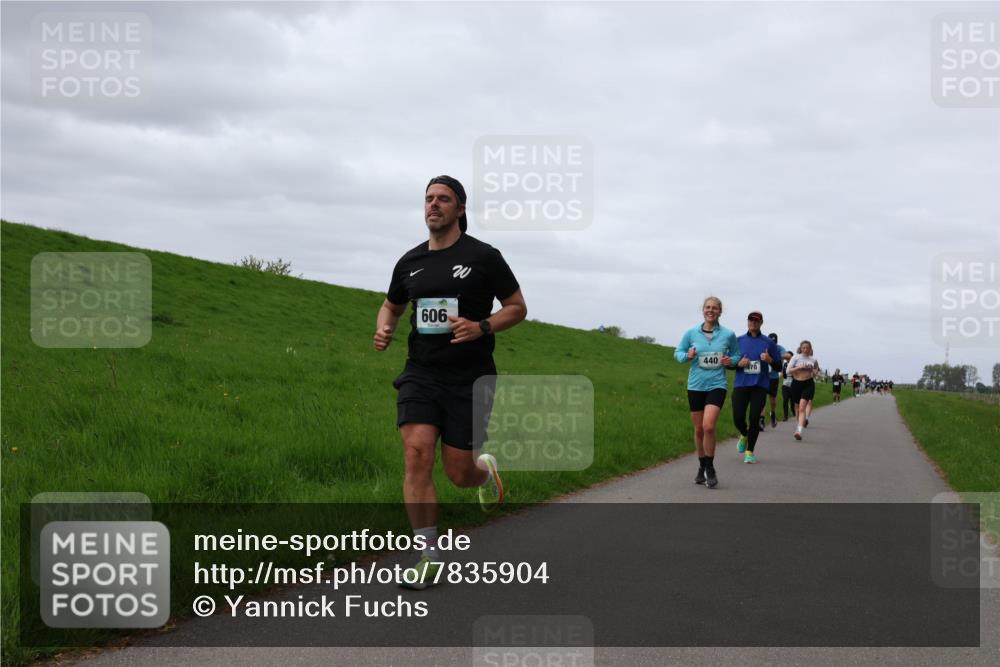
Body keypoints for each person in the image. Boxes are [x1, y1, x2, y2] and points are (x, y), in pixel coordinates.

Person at [374, 175, 527, 588]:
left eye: (443, 199)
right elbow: (391, 306)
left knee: (459, 473)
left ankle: (484, 470)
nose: (433, 205)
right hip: (421, 374)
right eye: (428, 199)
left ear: (460, 209)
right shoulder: (409, 262)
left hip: (470, 378)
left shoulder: (484, 256)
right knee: (416, 453)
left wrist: (482, 327)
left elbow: (516, 308)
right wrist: (384, 328)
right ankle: (427, 555)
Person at [674, 296, 742, 488]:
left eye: (714, 308)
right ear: (703, 310)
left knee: (709, 426)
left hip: (717, 384)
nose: (710, 310)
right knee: (698, 429)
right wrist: (686, 356)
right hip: (695, 385)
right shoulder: (691, 333)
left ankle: (710, 468)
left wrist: (731, 361)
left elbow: (736, 355)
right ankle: (701, 466)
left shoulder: (728, 334)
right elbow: (677, 352)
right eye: (707, 307)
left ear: (720, 311)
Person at [732, 312, 780, 463]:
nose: (753, 322)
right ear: (747, 322)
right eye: (750, 320)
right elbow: (729, 363)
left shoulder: (769, 343)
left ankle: (750, 452)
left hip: (760, 386)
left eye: (756, 320)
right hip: (741, 384)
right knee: (738, 418)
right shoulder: (738, 341)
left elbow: (779, 366)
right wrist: (738, 364)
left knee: (755, 418)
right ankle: (744, 435)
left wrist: (770, 359)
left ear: (761, 323)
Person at [787, 340, 820, 441]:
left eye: (807, 348)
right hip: (796, 384)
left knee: (802, 407)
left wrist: (814, 372)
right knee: (797, 407)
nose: (805, 350)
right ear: (801, 348)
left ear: (810, 349)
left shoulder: (813, 360)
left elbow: (816, 372)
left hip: (808, 384)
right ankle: (799, 424)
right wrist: (799, 367)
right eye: (804, 348)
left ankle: (799, 431)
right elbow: (788, 371)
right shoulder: (796, 357)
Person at [762, 332, 785, 429]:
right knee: (761, 399)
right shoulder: (763, 347)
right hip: (763, 377)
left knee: (772, 399)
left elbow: (784, 356)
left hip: (774, 377)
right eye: (770, 342)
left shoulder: (779, 348)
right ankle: (761, 420)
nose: (772, 344)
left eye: (774, 342)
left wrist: (782, 357)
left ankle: (773, 413)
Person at [780, 351, 796, 421]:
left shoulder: (795, 364)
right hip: (785, 384)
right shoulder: (785, 364)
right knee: (785, 400)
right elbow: (782, 374)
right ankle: (785, 416)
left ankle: (795, 414)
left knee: (793, 402)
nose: (786, 357)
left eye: (788, 356)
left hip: (793, 385)